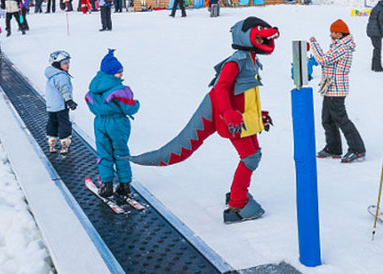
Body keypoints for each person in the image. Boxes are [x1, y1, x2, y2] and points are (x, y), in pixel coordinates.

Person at [130, 18, 278, 223]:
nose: (263, 40)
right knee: (250, 157)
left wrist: (258, 114)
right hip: (233, 120)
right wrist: (228, 114)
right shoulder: (236, 61)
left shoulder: (250, 60)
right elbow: (221, 89)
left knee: (254, 155)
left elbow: (245, 94)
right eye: (259, 36)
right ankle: (237, 204)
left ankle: (238, 193)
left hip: (244, 119)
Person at [84, 50, 141, 204]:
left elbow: (91, 104)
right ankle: (124, 185)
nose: (121, 75)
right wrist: (136, 104)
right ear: (110, 73)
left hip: (100, 122)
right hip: (117, 124)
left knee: (103, 152)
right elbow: (129, 108)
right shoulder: (119, 89)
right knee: (121, 152)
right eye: (118, 72)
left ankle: (106, 185)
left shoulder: (93, 89)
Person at [310, 19, 366, 163]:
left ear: (340, 34)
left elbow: (323, 60)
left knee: (342, 120)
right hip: (330, 88)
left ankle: (357, 149)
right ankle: (333, 148)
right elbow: (326, 60)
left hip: (336, 89)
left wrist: (314, 45)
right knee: (327, 119)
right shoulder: (338, 45)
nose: (331, 35)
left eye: (333, 33)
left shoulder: (343, 47)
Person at [45, 50, 77, 155]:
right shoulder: (61, 76)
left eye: (68, 62)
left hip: (51, 106)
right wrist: (69, 101)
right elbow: (65, 89)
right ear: (57, 64)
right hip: (61, 106)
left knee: (52, 123)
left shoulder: (51, 74)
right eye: (65, 63)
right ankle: (64, 143)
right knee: (64, 124)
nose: (68, 65)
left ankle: (52, 142)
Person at [366, 0, 383, 71]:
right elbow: (380, 21)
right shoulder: (382, 8)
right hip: (376, 31)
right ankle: (377, 67)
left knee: (375, 48)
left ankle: (374, 66)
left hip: (370, 29)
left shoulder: (377, 6)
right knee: (378, 49)